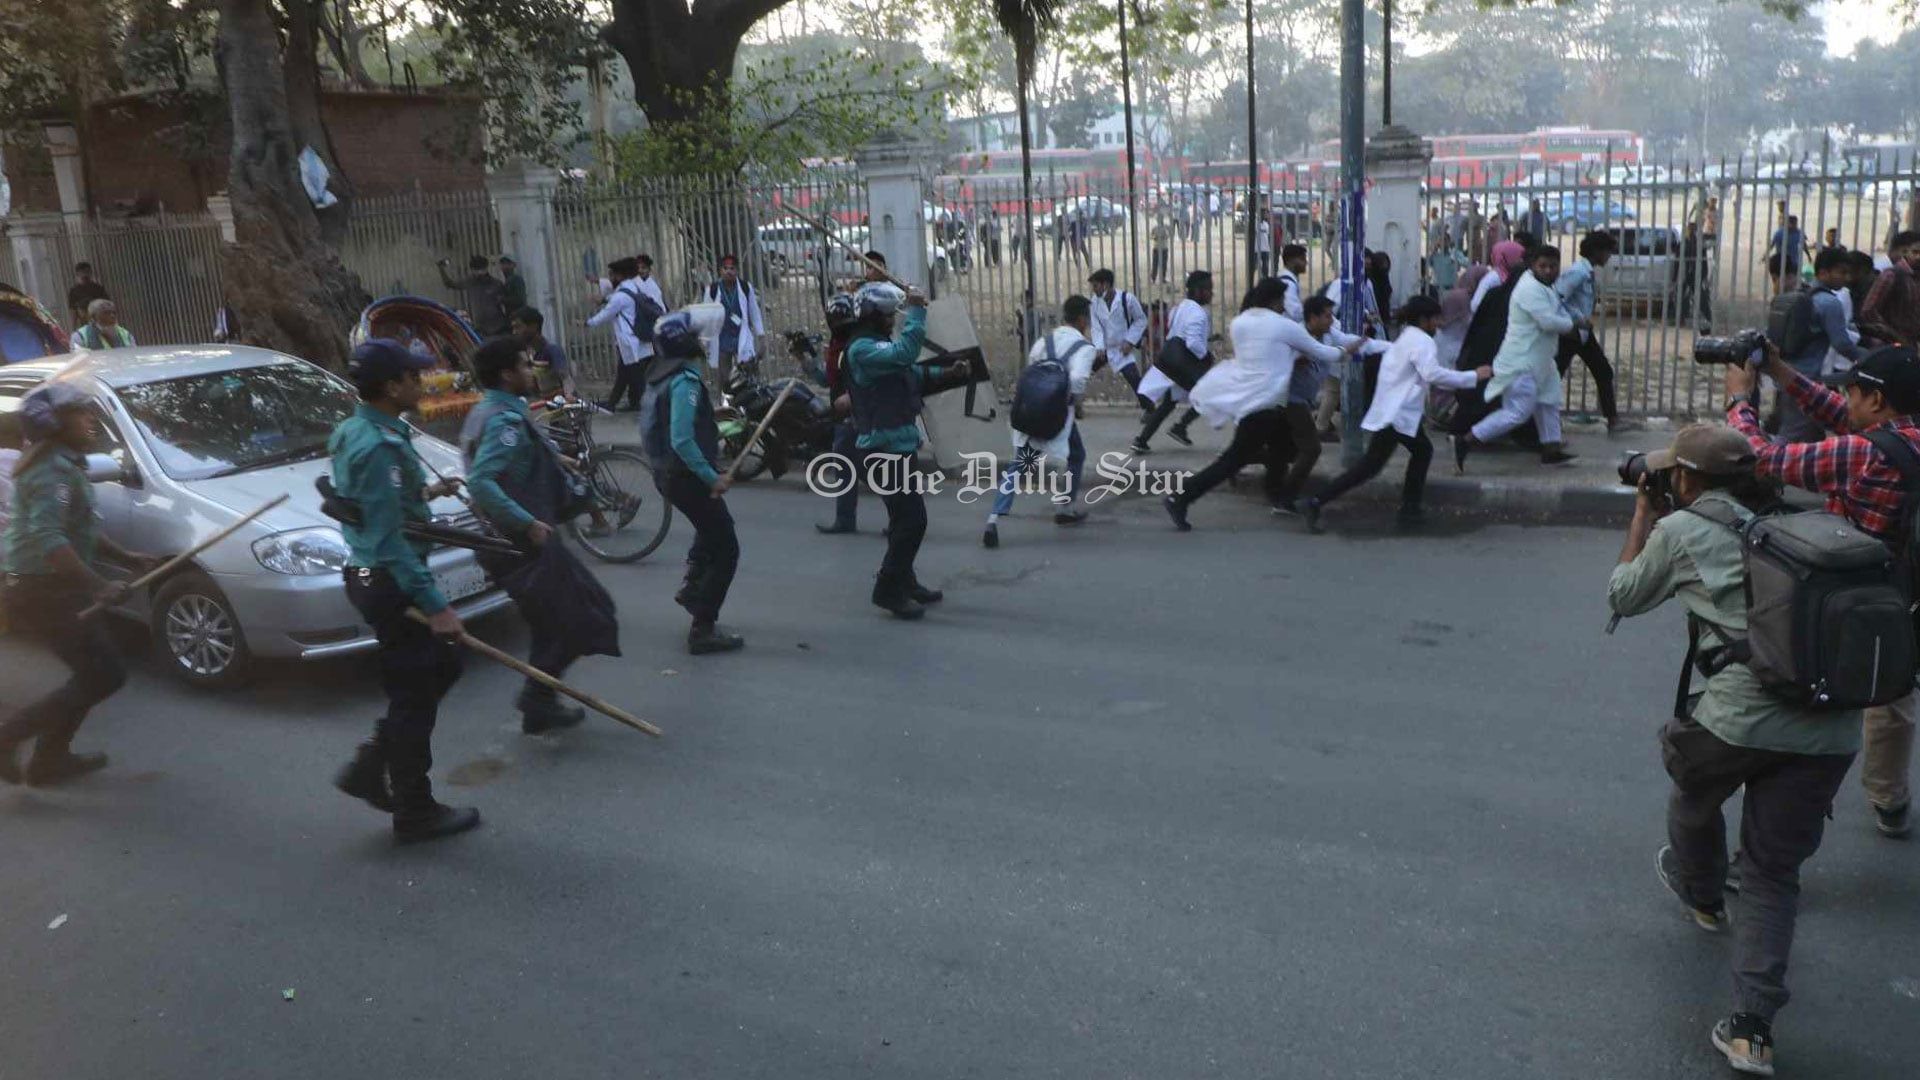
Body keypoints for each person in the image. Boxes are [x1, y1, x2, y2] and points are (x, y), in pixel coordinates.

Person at [1607, 424, 1858, 1079]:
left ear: (1686, 479)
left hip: (1740, 720)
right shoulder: (1792, 525)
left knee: (1692, 789)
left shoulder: (1681, 529)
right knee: (1773, 875)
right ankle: (1751, 1032)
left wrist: (1642, 515)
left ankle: (1703, 893)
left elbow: (1623, 594)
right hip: (1829, 729)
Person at [1725, 343, 1920, 839]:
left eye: (1852, 392)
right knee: (1892, 692)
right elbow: (1840, 415)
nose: (1845, 401)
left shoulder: (1863, 454)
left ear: (1877, 400)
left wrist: (1739, 402)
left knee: (1806, 693)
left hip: (1845, 595)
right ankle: (1889, 798)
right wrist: (1780, 369)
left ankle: (1779, 817)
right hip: (1904, 596)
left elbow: (1762, 459)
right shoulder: (1905, 439)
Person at [327, 339, 480, 842]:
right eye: (414, 377)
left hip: (375, 572)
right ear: (392, 387)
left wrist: (425, 492)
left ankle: (373, 763)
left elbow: (373, 504)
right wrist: (436, 607)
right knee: (414, 697)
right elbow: (389, 540)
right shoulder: (377, 446)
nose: (422, 382)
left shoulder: (358, 429)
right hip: (388, 579)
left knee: (442, 667)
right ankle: (414, 810)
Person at [0, 384, 158, 786]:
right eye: (81, 413)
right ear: (54, 423)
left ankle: (48, 759)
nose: (91, 420)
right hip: (41, 592)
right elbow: (50, 538)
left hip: (48, 588)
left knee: (95, 674)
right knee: (104, 675)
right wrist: (100, 585)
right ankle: (10, 738)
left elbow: (78, 526)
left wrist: (125, 557)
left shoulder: (63, 463)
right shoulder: (52, 471)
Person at [462, 337, 617, 729]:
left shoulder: (492, 410)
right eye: (525, 365)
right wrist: (527, 523)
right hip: (525, 540)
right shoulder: (503, 421)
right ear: (506, 374)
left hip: (524, 537)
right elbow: (481, 481)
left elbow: (514, 455)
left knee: (554, 622)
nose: (533, 371)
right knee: (583, 614)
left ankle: (539, 702)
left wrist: (556, 457)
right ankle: (537, 697)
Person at [1166, 284, 1356, 529]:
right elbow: (1320, 351)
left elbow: (1269, 354)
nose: (1285, 306)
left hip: (1256, 401)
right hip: (1266, 403)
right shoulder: (1283, 326)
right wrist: (1346, 350)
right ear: (1275, 301)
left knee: (1283, 450)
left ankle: (1279, 496)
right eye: (1283, 300)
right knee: (1234, 460)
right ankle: (1180, 498)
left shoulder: (1240, 323)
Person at [1302, 295, 1491, 532]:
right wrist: (1473, 376)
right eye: (1435, 319)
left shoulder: (1406, 338)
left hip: (1393, 412)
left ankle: (1406, 509)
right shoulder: (1422, 341)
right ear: (1423, 320)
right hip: (1398, 414)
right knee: (1394, 460)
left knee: (1389, 461)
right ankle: (1406, 510)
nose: (1439, 324)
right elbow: (1432, 374)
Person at [845, 282, 962, 619]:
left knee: (902, 521)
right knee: (913, 521)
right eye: (887, 315)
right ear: (872, 316)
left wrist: (948, 372)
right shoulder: (862, 349)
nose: (891, 320)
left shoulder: (878, 346)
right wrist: (916, 311)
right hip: (881, 450)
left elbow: (910, 372)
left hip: (899, 446)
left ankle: (905, 581)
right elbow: (904, 355)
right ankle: (887, 589)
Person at [639, 313, 745, 654]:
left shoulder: (659, 375)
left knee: (710, 531)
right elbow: (682, 439)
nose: (701, 341)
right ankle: (703, 626)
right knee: (726, 548)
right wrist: (713, 478)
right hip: (686, 477)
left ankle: (692, 588)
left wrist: (711, 415)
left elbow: (673, 421)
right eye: (696, 337)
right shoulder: (684, 381)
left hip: (669, 474)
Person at [982, 296, 1098, 548]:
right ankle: (1065, 508)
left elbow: (1033, 372)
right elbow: (1078, 381)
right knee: (1076, 456)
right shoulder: (1085, 349)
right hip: (1056, 417)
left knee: (1020, 464)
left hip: (1031, 411)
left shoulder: (1043, 342)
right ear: (1082, 320)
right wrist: (1075, 404)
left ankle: (993, 519)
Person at [1455, 245, 1583, 470]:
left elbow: (1556, 314)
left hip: (1541, 360)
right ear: (1533, 265)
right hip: (1522, 362)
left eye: (1553, 266)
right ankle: (1468, 439)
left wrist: (1573, 320)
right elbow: (1547, 322)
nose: (1548, 270)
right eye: (1543, 266)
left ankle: (1551, 449)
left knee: (1549, 402)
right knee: (1518, 412)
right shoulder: (1529, 288)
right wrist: (1573, 325)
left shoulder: (1544, 287)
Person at [1776, 249, 1865, 441]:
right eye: (1841, 272)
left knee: (1809, 431)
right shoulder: (1830, 303)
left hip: (1788, 370)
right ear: (1824, 272)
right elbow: (1841, 343)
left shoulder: (1805, 294)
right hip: (1808, 378)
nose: (1846, 278)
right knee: (1795, 431)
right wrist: (1868, 358)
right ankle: (1767, 459)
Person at [1130, 270, 1213, 455]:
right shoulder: (1199, 314)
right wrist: (1206, 355)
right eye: (1208, 289)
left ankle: (1141, 440)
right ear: (1198, 291)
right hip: (1185, 365)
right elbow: (1193, 343)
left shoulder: (1181, 307)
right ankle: (1181, 426)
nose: (1211, 293)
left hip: (1170, 362)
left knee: (1169, 403)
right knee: (1208, 394)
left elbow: (1172, 328)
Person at [1554, 232, 1627, 432]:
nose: (1609, 256)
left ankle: (1613, 419)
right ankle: (1543, 421)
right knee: (1555, 375)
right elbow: (1557, 297)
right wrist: (1576, 319)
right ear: (1597, 251)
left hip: (1581, 334)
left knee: (1603, 371)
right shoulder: (1578, 272)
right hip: (1570, 333)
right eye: (1608, 251)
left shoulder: (1587, 272)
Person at [815, 291, 867, 535]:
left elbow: (869, 380)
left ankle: (901, 517)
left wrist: (852, 399)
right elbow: (828, 380)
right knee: (847, 467)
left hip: (857, 416)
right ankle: (845, 519)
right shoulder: (838, 345)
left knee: (862, 468)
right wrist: (805, 359)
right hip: (844, 417)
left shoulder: (858, 345)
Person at [587, 257, 653, 412]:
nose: (611, 278)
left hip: (629, 341)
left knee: (637, 379)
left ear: (620, 275)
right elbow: (613, 298)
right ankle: (612, 404)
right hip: (637, 340)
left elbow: (606, 313)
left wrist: (587, 323)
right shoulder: (633, 287)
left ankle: (651, 408)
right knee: (624, 375)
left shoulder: (621, 295)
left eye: (613, 275)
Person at [703, 255, 764, 389]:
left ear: (737, 271)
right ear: (720, 271)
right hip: (722, 337)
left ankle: (752, 398)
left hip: (741, 335)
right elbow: (706, 317)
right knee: (724, 377)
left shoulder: (745, 287)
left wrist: (761, 337)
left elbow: (754, 313)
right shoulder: (712, 290)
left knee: (749, 372)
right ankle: (725, 399)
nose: (729, 272)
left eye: (732, 268)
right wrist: (704, 343)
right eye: (725, 268)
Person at [1088, 269, 1148, 401]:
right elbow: (1096, 327)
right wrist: (1099, 346)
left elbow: (1141, 320)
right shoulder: (1094, 303)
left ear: (1106, 285)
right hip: (1105, 349)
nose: (1094, 290)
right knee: (1084, 372)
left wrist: (1130, 341)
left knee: (1134, 380)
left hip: (1122, 349)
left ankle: (1150, 408)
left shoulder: (1127, 299)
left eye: (1096, 286)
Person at [1860, 230, 1920, 346]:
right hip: (1890, 344)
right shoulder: (1891, 275)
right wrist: (1890, 333)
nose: (1918, 257)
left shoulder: (1915, 277)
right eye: (1915, 252)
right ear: (1905, 252)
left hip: (1911, 343)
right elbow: (1868, 310)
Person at [510, 307, 574, 399]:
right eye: (513, 328)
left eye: (518, 327)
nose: (514, 332)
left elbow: (566, 378)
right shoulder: (526, 354)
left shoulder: (553, 350)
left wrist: (569, 395)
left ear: (533, 326)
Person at [438, 254, 510, 336]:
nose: (479, 272)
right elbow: (450, 284)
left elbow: (506, 302)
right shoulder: (470, 282)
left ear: (486, 268)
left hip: (498, 327)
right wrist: (441, 269)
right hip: (480, 328)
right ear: (472, 270)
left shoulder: (496, 283)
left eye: (481, 269)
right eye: (476, 270)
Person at [1766, 215, 1810, 295]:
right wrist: (1766, 255)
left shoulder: (1799, 233)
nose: (1793, 225)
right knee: (1780, 281)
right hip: (1781, 262)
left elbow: (1804, 245)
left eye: (1795, 223)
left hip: (1794, 262)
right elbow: (1772, 245)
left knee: (1794, 280)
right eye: (1791, 223)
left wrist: (1808, 256)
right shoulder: (1779, 233)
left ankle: (1793, 294)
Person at [66, 263, 109, 329]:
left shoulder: (98, 288)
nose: (84, 275)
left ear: (91, 273)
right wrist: (73, 327)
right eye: (82, 273)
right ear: (77, 274)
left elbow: (107, 306)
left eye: (87, 272)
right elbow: (73, 311)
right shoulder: (74, 291)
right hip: (84, 325)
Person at [1149, 216, 1172, 285]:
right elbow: (1151, 236)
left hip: (1162, 247)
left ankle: (1161, 278)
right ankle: (1154, 278)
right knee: (1156, 264)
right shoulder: (1155, 228)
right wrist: (1155, 237)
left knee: (1162, 264)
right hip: (1158, 247)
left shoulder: (1165, 227)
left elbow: (1168, 235)